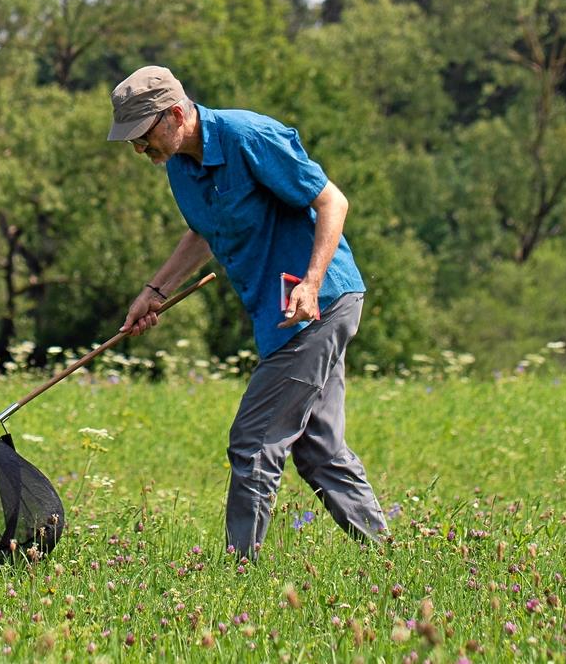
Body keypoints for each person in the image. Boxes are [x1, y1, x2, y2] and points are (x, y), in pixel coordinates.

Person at [108, 65, 387, 558]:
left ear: (175, 115)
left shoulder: (249, 136)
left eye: (142, 135)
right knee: (319, 449)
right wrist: (156, 289)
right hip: (279, 315)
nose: (138, 149)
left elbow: (332, 202)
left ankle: (239, 574)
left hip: (315, 305)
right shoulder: (180, 165)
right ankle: (388, 555)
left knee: (253, 441)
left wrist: (311, 283)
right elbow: (203, 232)